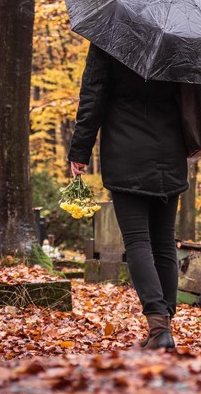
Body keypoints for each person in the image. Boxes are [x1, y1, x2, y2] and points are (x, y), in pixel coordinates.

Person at [68, 43, 188, 350]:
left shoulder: (109, 39)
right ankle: (165, 327)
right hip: (169, 149)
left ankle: (158, 324)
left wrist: (80, 150)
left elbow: (92, 97)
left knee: (137, 241)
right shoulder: (177, 41)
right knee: (164, 242)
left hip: (127, 151)